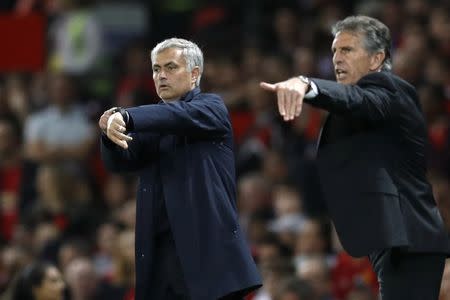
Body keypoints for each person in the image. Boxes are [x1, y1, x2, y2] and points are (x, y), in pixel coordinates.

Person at [260, 15, 450, 299]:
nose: (336, 58)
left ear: (376, 59)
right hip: (398, 240)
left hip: (410, 238)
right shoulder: (364, 106)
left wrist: (307, 84)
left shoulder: (391, 90)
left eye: (347, 50)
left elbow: (359, 100)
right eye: (335, 50)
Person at [99, 38, 261, 300]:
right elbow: (119, 162)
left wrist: (126, 116)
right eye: (155, 69)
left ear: (195, 74)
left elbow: (177, 116)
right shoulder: (151, 123)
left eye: (171, 67)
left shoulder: (212, 107)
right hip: (161, 259)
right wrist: (110, 132)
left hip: (207, 259)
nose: (161, 75)